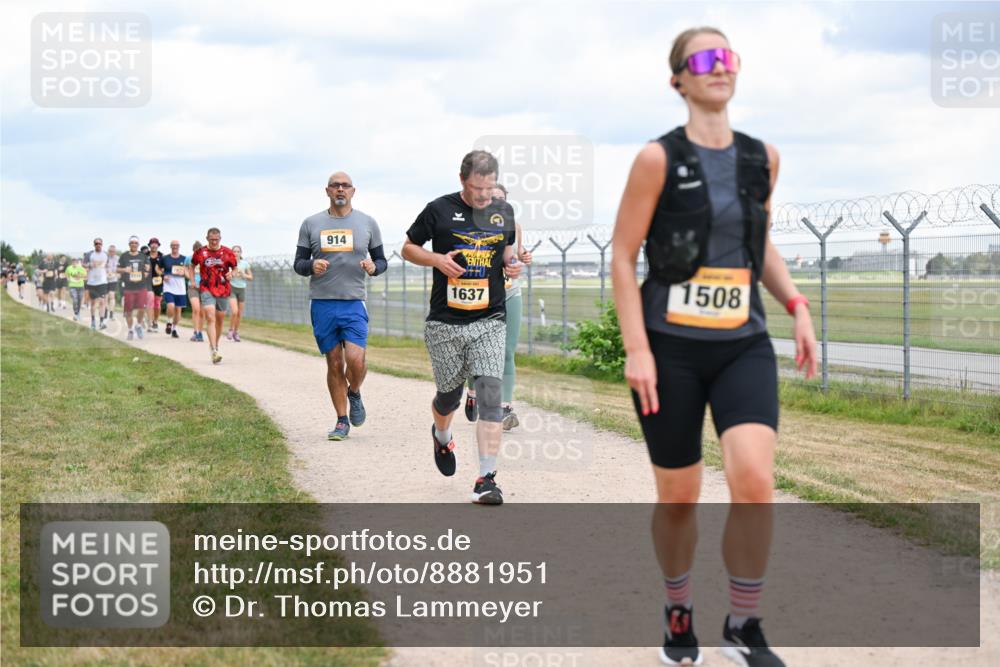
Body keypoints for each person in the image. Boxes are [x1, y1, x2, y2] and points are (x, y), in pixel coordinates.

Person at [611, 27, 817, 667]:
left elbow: (759, 247)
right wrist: (637, 348)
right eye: (704, 59)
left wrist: (797, 304)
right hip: (668, 349)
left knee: (754, 480)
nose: (719, 67)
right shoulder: (656, 159)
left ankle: (743, 623)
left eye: (727, 57)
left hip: (742, 344)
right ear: (678, 79)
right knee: (679, 496)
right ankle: (678, 611)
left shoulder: (764, 159)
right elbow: (621, 255)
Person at [401, 150, 520, 505]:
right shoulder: (438, 209)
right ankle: (441, 434)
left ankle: (486, 478)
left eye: (488, 189)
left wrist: (512, 264)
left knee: (489, 394)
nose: (483, 197)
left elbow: (507, 250)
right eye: (476, 189)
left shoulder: (503, 212)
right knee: (449, 397)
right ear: (461, 180)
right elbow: (408, 248)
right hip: (445, 322)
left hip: (489, 318)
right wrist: (436, 259)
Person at [293, 172, 386, 440]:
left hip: (354, 302)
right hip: (322, 303)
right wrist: (311, 265)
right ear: (327, 191)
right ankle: (341, 421)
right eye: (335, 186)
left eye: (345, 185)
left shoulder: (367, 223)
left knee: (356, 360)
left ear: (353, 191)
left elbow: (381, 261)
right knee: (334, 363)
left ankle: (354, 391)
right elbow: (298, 263)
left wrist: (373, 267)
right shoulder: (311, 223)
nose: (340, 189)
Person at [463, 183, 533, 430]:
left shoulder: (514, 226)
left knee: (507, 351)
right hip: (481, 296)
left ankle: (505, 407)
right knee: (477, 352)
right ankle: (472, 391)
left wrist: (525, 256)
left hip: (510, 292)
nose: (497, 203)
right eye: (492, 198)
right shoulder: (471, 226)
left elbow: (517, 252)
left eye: (501, 199)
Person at [190, 228, 237, 364]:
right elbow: (192, 266)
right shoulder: (200, 252)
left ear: (220, 238)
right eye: (212, 239)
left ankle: (214, 345)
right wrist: (193, 280)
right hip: (206, 287)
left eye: (217, 239)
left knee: (220, 319)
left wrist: (232, 274)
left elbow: (234, 268)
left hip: (223, 288)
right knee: (210, 316)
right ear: (207, 238)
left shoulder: (227, 252)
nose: (214, 242)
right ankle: (214, 351)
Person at [118, 236, 151, 340]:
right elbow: (117, 269)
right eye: (132, 243)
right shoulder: (124, 256)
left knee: (142, 308)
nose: (133, 244)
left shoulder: (143, 256)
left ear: (138, 244)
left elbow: (147, 268)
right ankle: (130, 330)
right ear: (129, 244)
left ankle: (139, 325)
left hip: (141, 286)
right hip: (128, 287)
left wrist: (145, 272)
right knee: (128, 311)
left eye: (135, 243)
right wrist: (125, 269)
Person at [161, 240, 188, 338]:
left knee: (178, 311)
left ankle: (174, 328)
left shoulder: (184, 259)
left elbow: (188, 273)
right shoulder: (165, 258)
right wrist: (163, 275)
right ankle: (169, 322)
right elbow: (158, 269)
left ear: (179, 246)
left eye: (176, 245)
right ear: (170, 246)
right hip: (169, 287)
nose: (175, 247)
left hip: (180, 288)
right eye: (173, 245)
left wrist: (184, 273)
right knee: (171, 305)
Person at [226, 245, 253, 342]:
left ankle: (235, 333)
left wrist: (243, 274)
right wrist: (231, 275)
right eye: (234, 251)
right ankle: (230, 330)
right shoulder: (229, 264)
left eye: (238, 251)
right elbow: (225, 276)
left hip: (242, 289)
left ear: (241, 253)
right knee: (234, 311)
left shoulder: (245, 264)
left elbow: (251, 277)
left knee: (239, 314)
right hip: (232, 288)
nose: (236, 253)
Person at [85, 238, 109, 330]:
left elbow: (108, 265)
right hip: (92, 282)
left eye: (99, 243)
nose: (98, 245)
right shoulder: (89, 254)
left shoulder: (105, 254)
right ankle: (93, 321)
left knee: (102, 301)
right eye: (96, 243)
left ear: (102, 244)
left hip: (102, 282)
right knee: (94, 303)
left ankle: (102, 322)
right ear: (94, 245)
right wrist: (89, 265)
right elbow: (83, 264)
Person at [185, 241, 205, 342]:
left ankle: (200, 333)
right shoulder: (189, 258)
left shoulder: (205, 259)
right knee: (196, 309)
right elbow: (185, 270)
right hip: (192, 287)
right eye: (196, 250)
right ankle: (195, 332)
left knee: (202, 312)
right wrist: (191, 279)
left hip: (204, 287)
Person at [145, 238, 166, 331]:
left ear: (158, 245)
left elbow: (165, 268)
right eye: (152, 244)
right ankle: (149, 323)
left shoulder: (162, 256)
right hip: (147, 281)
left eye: (155, 244)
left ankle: (155, 321)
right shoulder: (144, 255)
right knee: (150, 301)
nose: (154, 245)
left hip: (158, 282)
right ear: (149, 245)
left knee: (157, 303)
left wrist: (163, 272)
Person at [105, 243, 119, 320]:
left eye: (113, 251)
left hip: (113, 279)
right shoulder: (105, 258)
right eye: (110, 251)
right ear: (108, 251)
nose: (111, 252)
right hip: (105, 280)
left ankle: (111, 313)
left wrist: (117, 274)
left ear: (115, 252)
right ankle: (106, 312)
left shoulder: (118, 258)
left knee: (111, 295)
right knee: (106, 297)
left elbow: (120, 269)